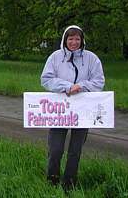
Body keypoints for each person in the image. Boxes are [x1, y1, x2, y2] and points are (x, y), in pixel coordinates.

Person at [40, 25, 105, 191]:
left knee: (75, 151)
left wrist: (81, 86)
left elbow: (99, 82)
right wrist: (67, 86)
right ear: (65, 40)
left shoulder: (91, 59)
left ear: (82, 40)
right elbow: (46, 79)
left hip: (83, 111)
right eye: (70, 39)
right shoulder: (55, 57)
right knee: (55, 150)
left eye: (77, 39)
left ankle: (69, 184)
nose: (74, 42)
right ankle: (52, 181)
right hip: (59, 111)